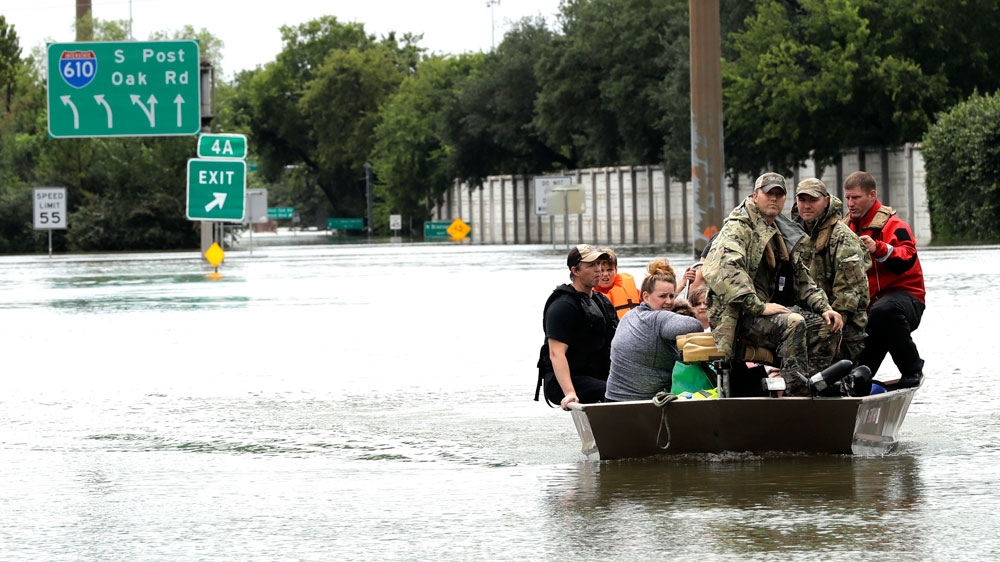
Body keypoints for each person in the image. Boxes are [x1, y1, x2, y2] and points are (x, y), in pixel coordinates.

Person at [702, 172, 844, 396]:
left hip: (766, 312)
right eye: (769, 194)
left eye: (779, 195)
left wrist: (825, 308)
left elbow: (803, 280)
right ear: (755, 196)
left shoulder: (780, 231)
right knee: (793, 322)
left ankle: (812, 385)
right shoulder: (738, 227)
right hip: (738, 315)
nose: (774, 199)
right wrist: (758, 306)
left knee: (829, 326)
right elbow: (725, 270)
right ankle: (795, 394)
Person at [843, 171, 926, 388]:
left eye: (856, 198)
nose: (850, 203)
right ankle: (857, 387)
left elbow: (907, 258)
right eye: (848, 198)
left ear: (872, 195)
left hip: (906, 301)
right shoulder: (845, 228)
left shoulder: (894, 225)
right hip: (870, 312)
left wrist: (878, 248)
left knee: (884, 311)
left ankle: (912, 369)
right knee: (853, 373)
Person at [791, 178, 872, 362]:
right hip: (807, 318)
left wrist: (828, 322)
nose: (807, 206)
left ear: (826, 201)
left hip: (844, 326)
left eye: (813, 200)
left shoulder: (843, 238)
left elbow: (848, 294)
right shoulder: (794, 234)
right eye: (802, 200)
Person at [605, 259, 704, 401]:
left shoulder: (630, 314)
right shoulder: (657, 319)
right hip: (640, 402)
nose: (669, 302)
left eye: (671, 296)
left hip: (612, 397)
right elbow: (695, 326)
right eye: (663, 296)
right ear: (645, 296)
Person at [536, 244, 619, 410]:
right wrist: (570, 392)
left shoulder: (600, 301)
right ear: (575, 271)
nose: (599, 270)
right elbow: (556, 353)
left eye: (599, 264)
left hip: (594, 374)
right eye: (591, 265)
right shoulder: (563, 305)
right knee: (616, 392)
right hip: (565, 381)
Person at [594, 248, 641, 320]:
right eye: (601, 270)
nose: (606, 274)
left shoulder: (636, 292)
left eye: (609, 270)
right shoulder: (587, 296)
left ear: (616, 270)